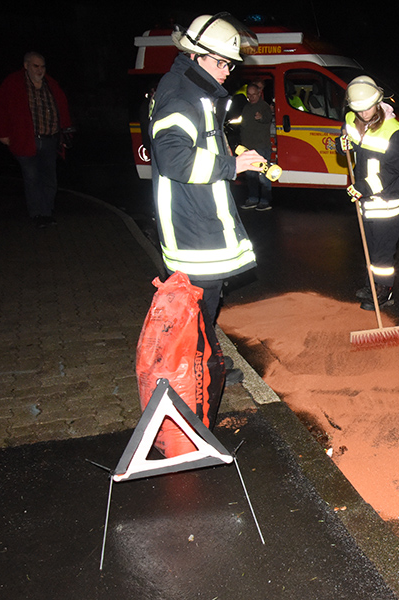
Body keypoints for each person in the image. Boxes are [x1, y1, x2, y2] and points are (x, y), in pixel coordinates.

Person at [149, 12, 264, 383]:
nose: (228, 69)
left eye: (230, 63)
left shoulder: (194, 89)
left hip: (197, 219)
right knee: (199, 305)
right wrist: (230, 166)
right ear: (195, 55)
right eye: (221, 61)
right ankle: (201, 374)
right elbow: (174, 159)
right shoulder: (181, 96)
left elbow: (198, 146)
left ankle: (207, 359)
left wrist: (230, 156)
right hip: (191, 227)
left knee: (204, 303)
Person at [339, 76, 399, 311]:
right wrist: (343, 144)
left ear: (378, 102)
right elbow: (346, 139)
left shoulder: (394, 131)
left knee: (383, 250)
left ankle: (385, 291)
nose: (363, 113)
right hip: (366, 201)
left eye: (367, 107)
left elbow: (392, 169)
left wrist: (364, 187)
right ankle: (373, 284)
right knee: (370, 247)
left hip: (387, 201)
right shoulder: (351, 118)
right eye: (358, 109)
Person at [0, 51, 73, 228]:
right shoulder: (13, 84)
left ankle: (46, 212)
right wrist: (3, 135)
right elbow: (0, 109)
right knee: (32, 178)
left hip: (50, 140)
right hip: (26, 140)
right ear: (26, 65)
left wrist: (66, 132)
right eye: (36, 66)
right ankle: (37, 214)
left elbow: (62, 108)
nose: (40, 70)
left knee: (49, 178)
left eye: (42, 66)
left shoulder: (50, 84)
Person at [239, 83, 274, 211]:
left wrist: (261, 117)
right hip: (248, 148)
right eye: (249, 94)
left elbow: (267, 118)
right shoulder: (247, 107)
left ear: (259, 94)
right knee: (250, 175)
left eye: (254, 94)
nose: (251, 97)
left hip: (261, 147)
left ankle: (265, 201)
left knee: (263, 175)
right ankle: (253, 199)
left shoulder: (263, 106)